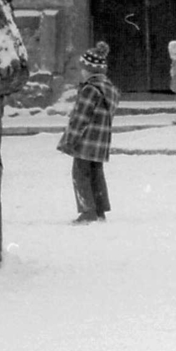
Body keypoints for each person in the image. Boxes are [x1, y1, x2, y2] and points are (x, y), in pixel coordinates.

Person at [57, 41, 120, 224]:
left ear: (89, 70)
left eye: (83, 68)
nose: (81, 72)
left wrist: (69, 140)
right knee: (96, 173)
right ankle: (100, 210)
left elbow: (80, 118)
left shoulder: (89, 90)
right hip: (101, 142)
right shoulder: (110, 90)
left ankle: (87, 211)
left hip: (86, 141)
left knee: (80, 174)